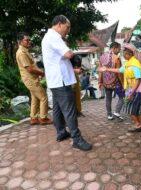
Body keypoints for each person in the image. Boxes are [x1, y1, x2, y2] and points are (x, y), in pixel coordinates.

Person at [41, 15, 92, 151]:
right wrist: (76, 58)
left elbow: (62, 57)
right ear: (59, 24)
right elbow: (68, 54)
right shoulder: (54, 37)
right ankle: (77, 139)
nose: (68, 30)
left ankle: (61, 132)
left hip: (55, 80)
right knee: (70, 110)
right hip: (61, 80)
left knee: (57, 109)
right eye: (67, 27)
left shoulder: (49, 37)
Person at [99, 43, 141, 131]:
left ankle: (138, 124)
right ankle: (139, 124)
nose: (123, 55)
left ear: (129, 54)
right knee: (133, 107)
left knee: (132, 108)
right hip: (134, 88)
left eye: (124, 53)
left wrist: (131, 93)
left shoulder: (134, 63)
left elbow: (138, 79)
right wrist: (107, 69)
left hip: (139, 88)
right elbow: (119, 70)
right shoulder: (128, 63)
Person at [16, 32, 52, 125]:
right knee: (43, 97)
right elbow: (30, 69)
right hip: (30, 79)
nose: (29, 41)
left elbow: (32, 66)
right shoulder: (21, 53)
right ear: (20, 41)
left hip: (32, 79)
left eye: (29, 39)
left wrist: (39, 73)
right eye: (27, 40)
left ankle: (33, 118)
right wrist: (42, 73)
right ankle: (43, 118)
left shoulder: (25, 51)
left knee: (35, 98)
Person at [99, 42, 124, 120]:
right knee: (122, 97)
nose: (119, 51)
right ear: (114, 48)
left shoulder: (102, 57)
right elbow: (119, 72)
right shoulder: (116, 58)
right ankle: (117, 112)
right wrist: (123, 83)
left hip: (106, 83)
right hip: (116, 82)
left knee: (108, 99)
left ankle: (109, 115)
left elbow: (100, 71)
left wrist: (100, 82)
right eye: (119, 49)